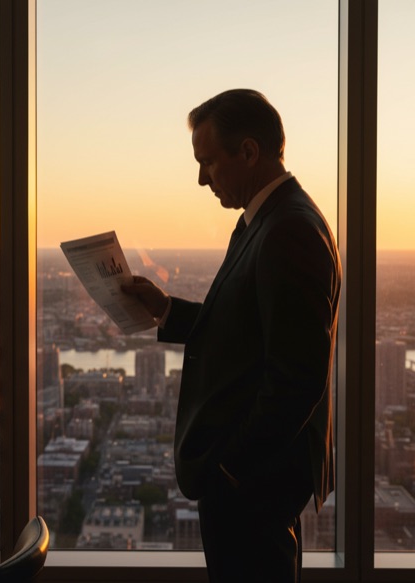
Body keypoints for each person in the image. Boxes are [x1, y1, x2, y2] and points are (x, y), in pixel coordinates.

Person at [122, 89, 341, 582]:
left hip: (253, 480)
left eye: (208, 162)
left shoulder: (288, 230)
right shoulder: (269, 220)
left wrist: (231, 469)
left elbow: (296, 378)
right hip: (253, 476)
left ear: (248, 152)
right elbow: (246, 330)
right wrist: (166, 310)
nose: (202, 179)